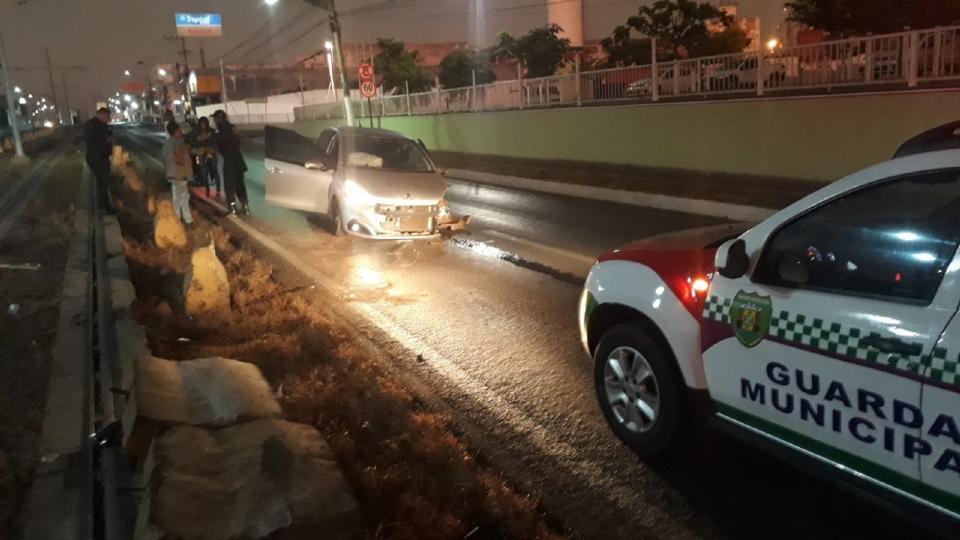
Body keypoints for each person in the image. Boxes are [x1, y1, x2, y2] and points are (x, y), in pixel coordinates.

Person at [211, 110, 250, 216]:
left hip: (229, 160)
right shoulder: (233, 127)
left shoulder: (218, 132)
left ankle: (232, 209)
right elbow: (238, 142)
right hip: (238, 159)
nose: (214, 120)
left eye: (215, 118)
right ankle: (245, 207)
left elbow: (214, 142)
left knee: (229, 186)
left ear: (219, 119)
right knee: (240, 185)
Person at [162, 121, 194, 225]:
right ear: (176, 131)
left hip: (171, 173)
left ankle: (182, 219)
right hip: (180, 174)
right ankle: (183, 219)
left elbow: (165, 158)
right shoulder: (178, 142)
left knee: (178, 196)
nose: (181, 132)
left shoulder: (166, 143)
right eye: (179, 130)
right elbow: (180, 159)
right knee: (183, 197)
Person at [83, 107, 114, 212]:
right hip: (97, 157)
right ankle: (105, 207)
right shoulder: (93, 126)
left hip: (99, 157)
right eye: (107, 117)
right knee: (103, 182)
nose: (109, 119)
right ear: (102, 115)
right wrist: (106, 140)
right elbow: (94, 141)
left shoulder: (97, 125)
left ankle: (103, 204)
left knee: (103, 181)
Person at [188, 117, 221, 198]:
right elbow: (190, 139)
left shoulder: (211, 131)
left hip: (211, 153)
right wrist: (197, 139)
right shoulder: (195, 131)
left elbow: (217, 141)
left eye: (205, 124)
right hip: (201, 153)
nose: (203, 126)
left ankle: (218, 190)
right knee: (204, 171)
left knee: (215, 171)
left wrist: (214, 148)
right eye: (201, 124)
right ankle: (207, 191)